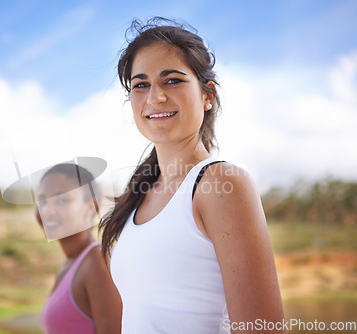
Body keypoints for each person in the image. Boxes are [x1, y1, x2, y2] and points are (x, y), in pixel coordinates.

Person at [99, 18, 285, 334]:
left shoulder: (220, 184)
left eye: (171, 80)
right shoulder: (140, 194)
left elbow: (263, 328)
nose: (154, 97)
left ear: (207, 96)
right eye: (140, 84)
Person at [35, 163, 122, 334]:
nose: (47, 211)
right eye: (42, 201)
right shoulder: (73, 262)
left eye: (61, 200)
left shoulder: (98, 263)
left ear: (91, 207)